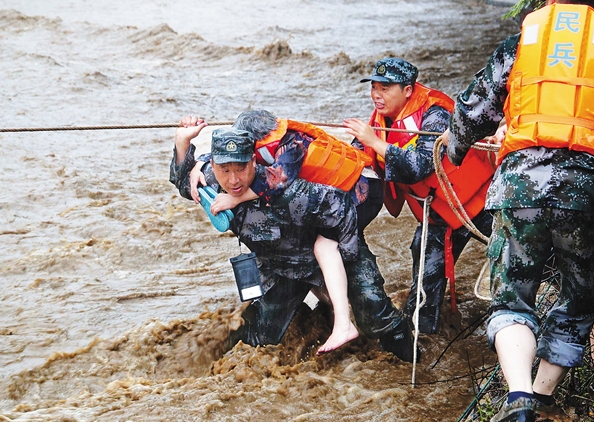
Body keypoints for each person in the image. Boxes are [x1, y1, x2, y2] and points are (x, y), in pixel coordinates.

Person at [443, 0, 594, 422]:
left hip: (518, 188)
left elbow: (472, 113)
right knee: (581, 299)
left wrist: (454, 147)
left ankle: (517, 395)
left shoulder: (520, 44)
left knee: (513, 297)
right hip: (591, 194)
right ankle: (542, 392)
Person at [170, 117, 417, 361]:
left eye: (241, 169)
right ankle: (314, 321)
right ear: (213, 166)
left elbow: (341, 205)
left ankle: (412, 359)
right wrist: (182, 144)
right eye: (224, 170)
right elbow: (185, 184)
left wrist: (346, 260)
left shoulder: (287, 186)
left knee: (375, 314)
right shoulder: (211, 182)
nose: (233, 180)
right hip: (280, 268)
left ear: (254, 162)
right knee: (261, 338)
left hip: (333, 251)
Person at [196, 110, 371, 354]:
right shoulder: (269, 141)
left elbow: (278, 180)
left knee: (324, 248)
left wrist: (235, 200)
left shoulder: (292, 145)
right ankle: (333, 311)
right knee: (316, 256)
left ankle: (344, 324)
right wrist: (199, 163)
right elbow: (228, 153)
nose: (233, 176)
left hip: (357, 196)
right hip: (331, 202)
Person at [343, 58, 496, 335]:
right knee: (422, 294)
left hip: (479, 204)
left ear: (408, 90)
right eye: (374, 87)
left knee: (527, 261)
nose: (377, 95)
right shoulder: (377, 123)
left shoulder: (435, 114)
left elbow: (419, 166)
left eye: (385, 88)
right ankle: (424, 343)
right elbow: (355, 159)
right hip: (437, 213)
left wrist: (375, 142)